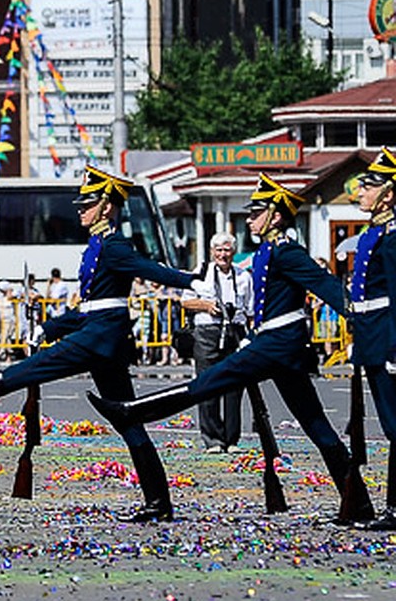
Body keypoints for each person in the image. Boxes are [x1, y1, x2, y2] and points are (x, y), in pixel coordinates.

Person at [89, 173, 375, 524]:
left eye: (257, 213)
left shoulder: (287, 252)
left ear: (276, 215)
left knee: (210, 381)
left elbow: (327, 286)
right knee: (316, 425)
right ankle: (358, 504)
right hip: (274, 344)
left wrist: (360, 317)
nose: (251, 219)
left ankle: (134, 411)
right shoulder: (267, 251)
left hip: (278, 345)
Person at [0, 166, 198, 523]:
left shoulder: (114, 246)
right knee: (128, 419)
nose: (80, 210)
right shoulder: (97, 246)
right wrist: (47, 327)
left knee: (25, 371)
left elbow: (151, 271)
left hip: (98, 341)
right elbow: (87, 308)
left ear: (106, 207)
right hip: (101, 338)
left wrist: (195, 280)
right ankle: (158, 503)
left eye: (87, 204)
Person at [346, 148, 396, 530]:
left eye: (370, 185)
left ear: (389, 194)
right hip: (371, 339)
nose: (361, 190)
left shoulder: (392, 237)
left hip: (386, 341)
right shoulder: (372, 233)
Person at [182, 231, 247, 453]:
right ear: (211, 252)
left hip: (235, 331)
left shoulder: (243, 276)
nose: (223, 254)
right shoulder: (201, 273)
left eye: (227, 250)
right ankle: (212, 439)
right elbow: (186, 302)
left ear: (233, 252)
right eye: (218, 250)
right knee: (208, 384)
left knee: (234, 386)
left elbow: (250, 308)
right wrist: (207, 306)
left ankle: (231, 439)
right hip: (207, 330)